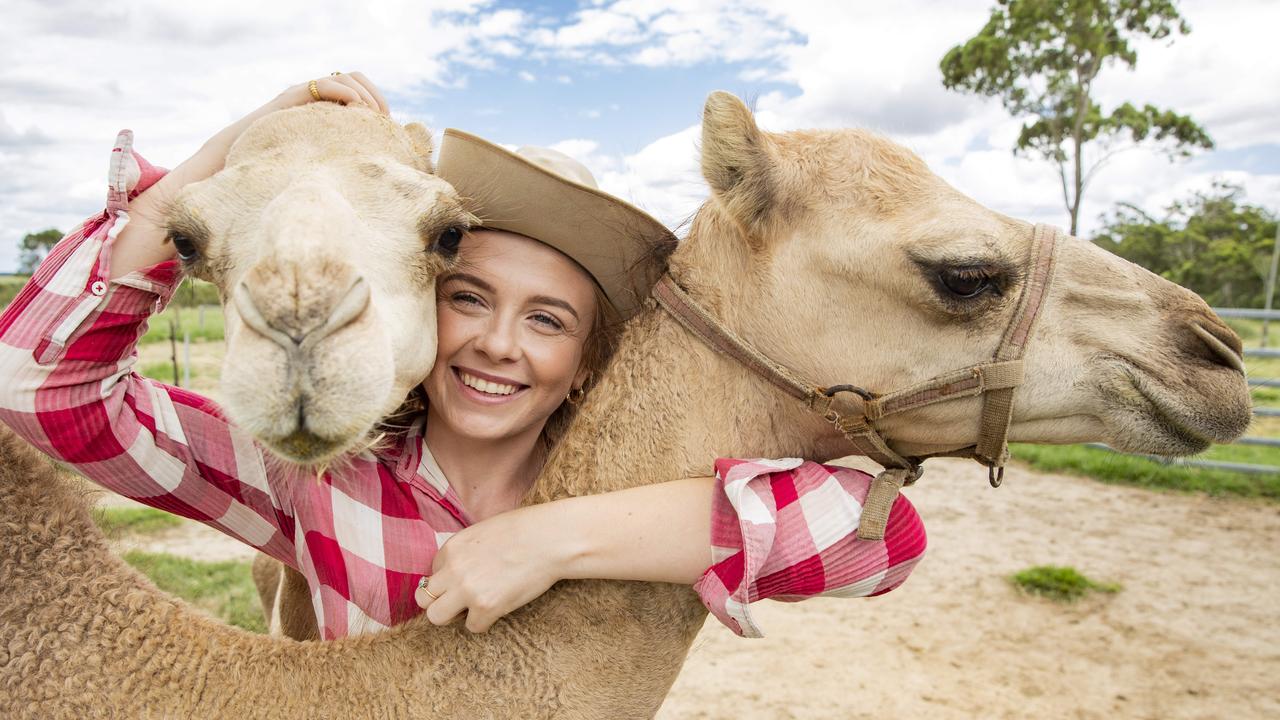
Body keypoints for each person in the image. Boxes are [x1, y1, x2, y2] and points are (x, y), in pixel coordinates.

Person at [0, 73, 925, 641]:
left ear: (589, 352)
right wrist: (216, 166)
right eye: (468, 296)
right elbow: (40, 386)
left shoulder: (625, 484)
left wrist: (547, 538)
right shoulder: (310, 485)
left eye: (548, 320)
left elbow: (880, 535)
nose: (495, 342)